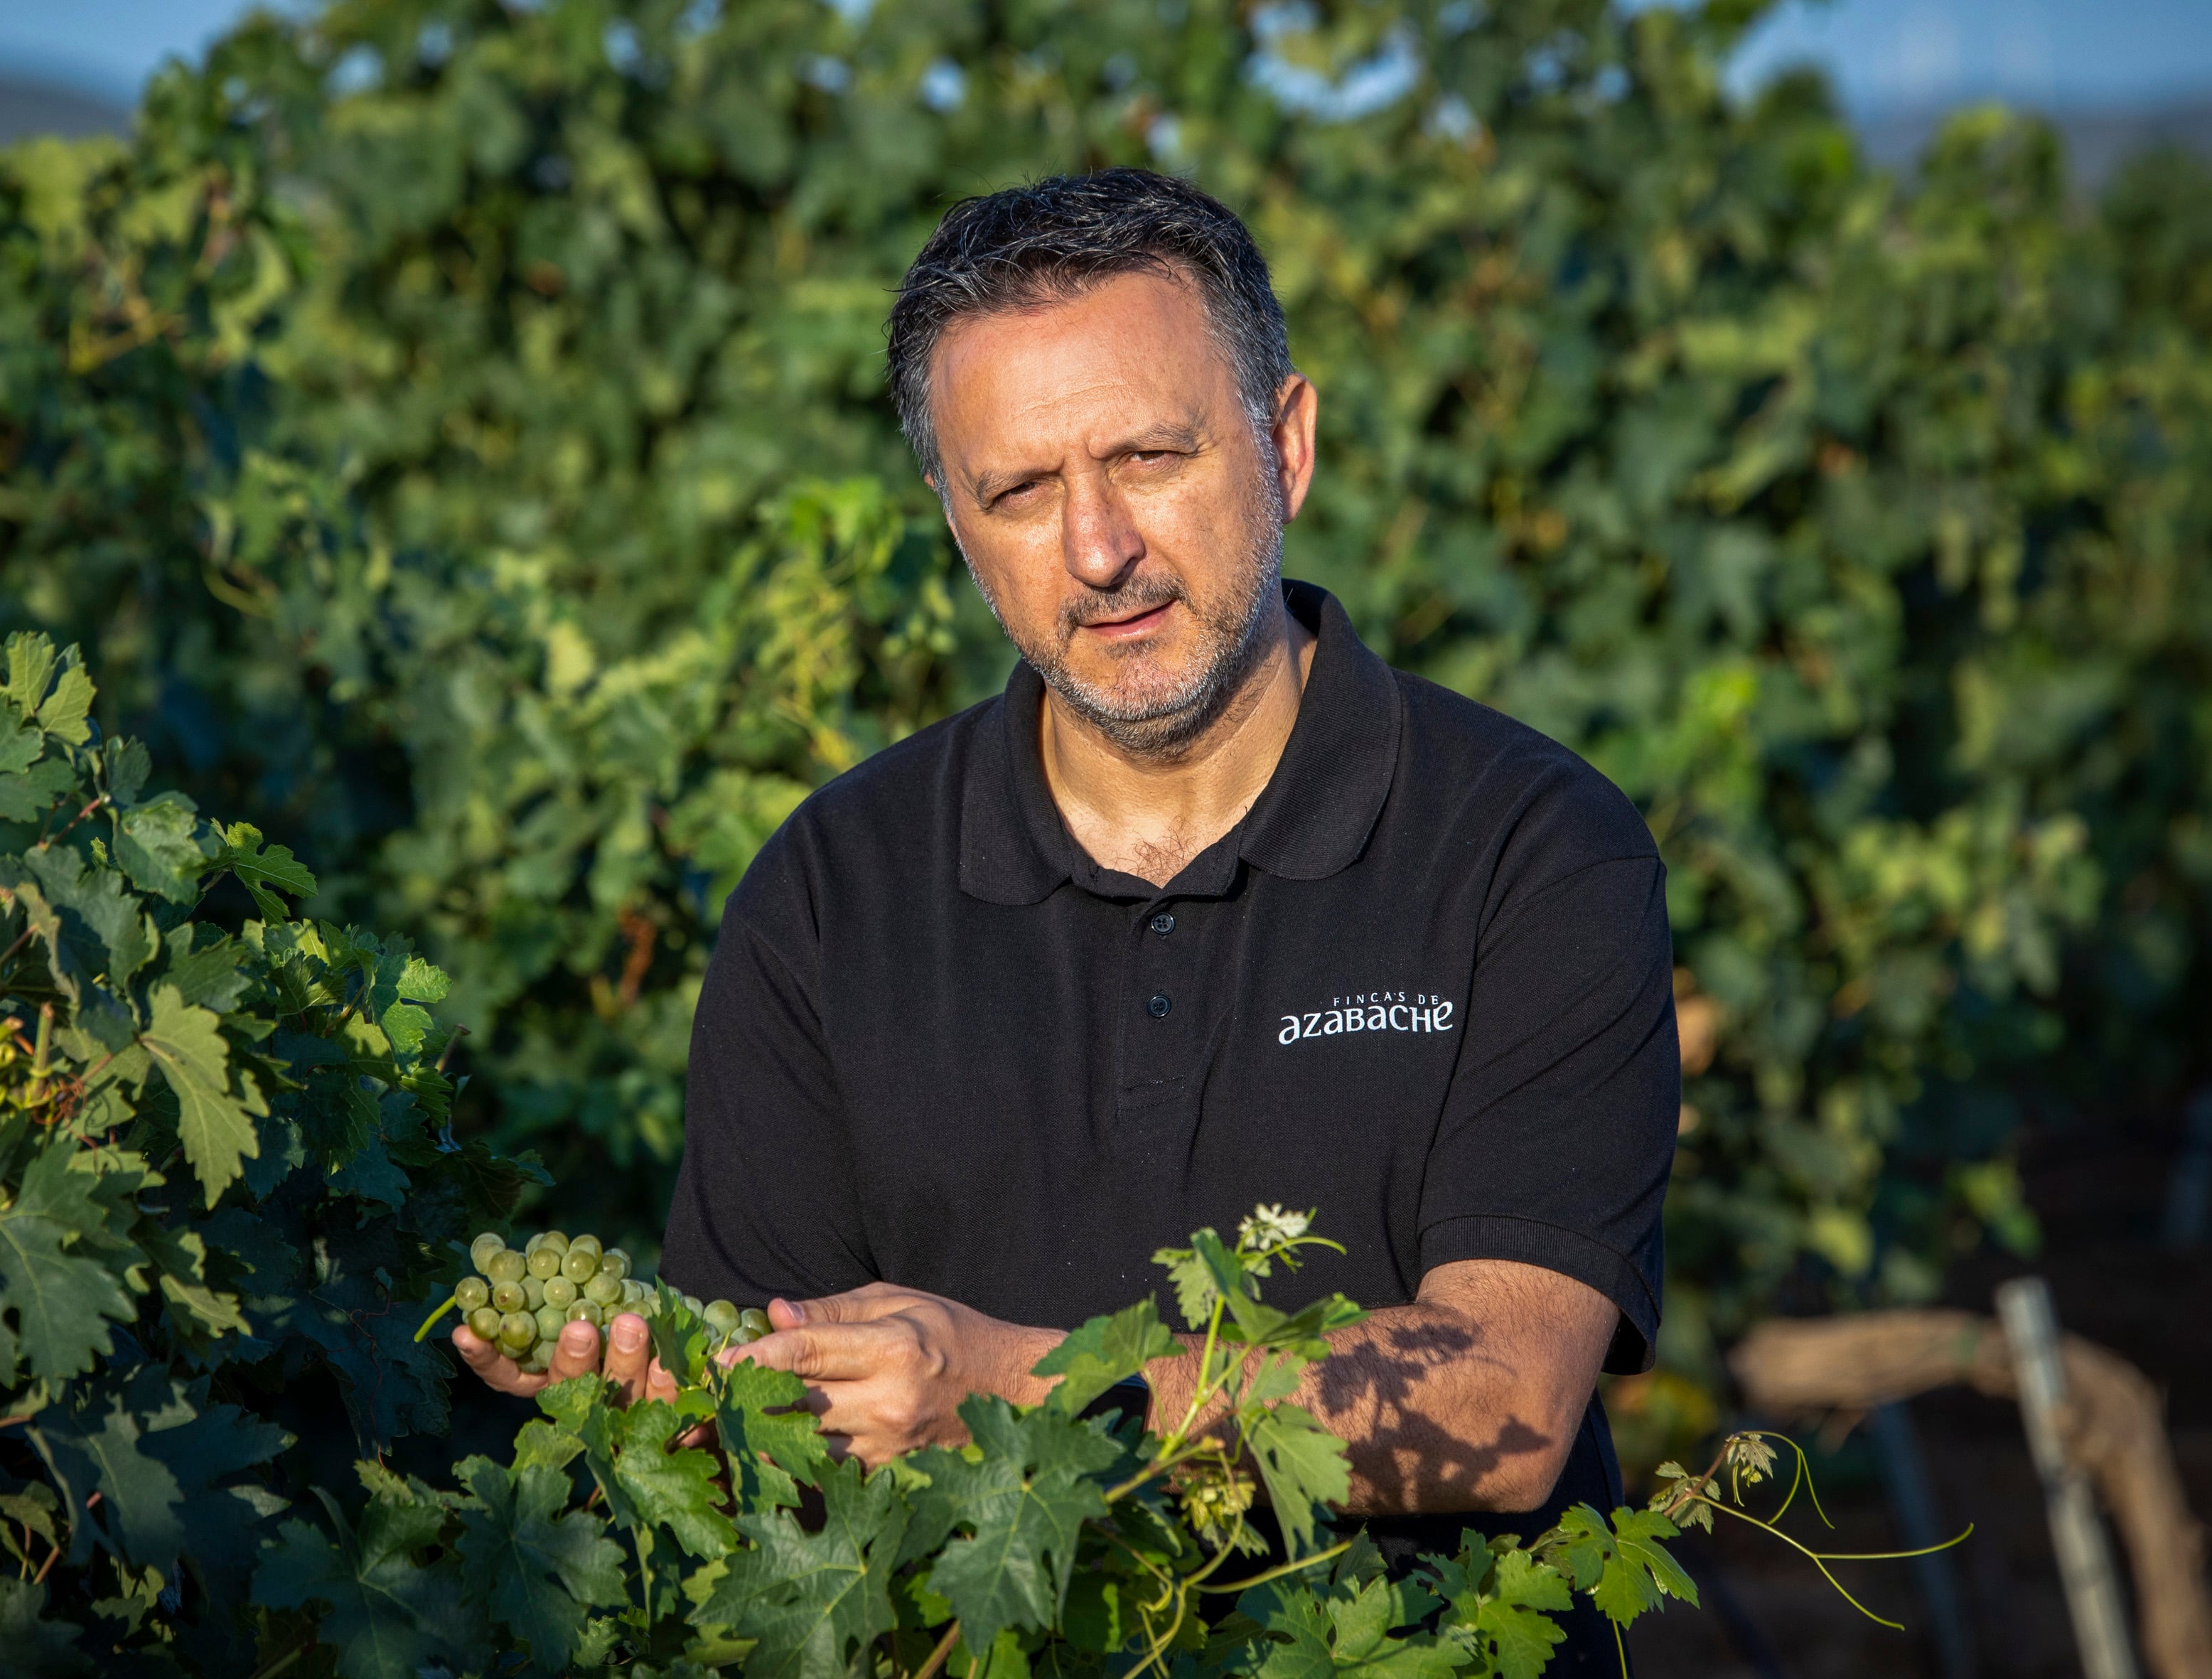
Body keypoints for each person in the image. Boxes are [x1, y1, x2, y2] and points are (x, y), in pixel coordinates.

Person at [455, 168, 1678, 1677]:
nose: (1094, 547)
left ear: (1284, 444)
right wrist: (670, 1401)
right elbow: (780, 1462)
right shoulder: (831, 893)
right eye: (1017, 492)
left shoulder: (1525, 845)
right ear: (951, 520)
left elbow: (1496, 1401)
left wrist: (1006, 1382)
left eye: (1148, 457)